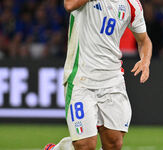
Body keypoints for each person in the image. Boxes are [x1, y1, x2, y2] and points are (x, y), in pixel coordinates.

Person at [44, 0, 152, 149]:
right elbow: (69, 5)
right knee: (85, 145)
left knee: (114, 143)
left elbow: (144, 40)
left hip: (112, 81)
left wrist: (145, 60)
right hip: (81, 80)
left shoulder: (131, 4)